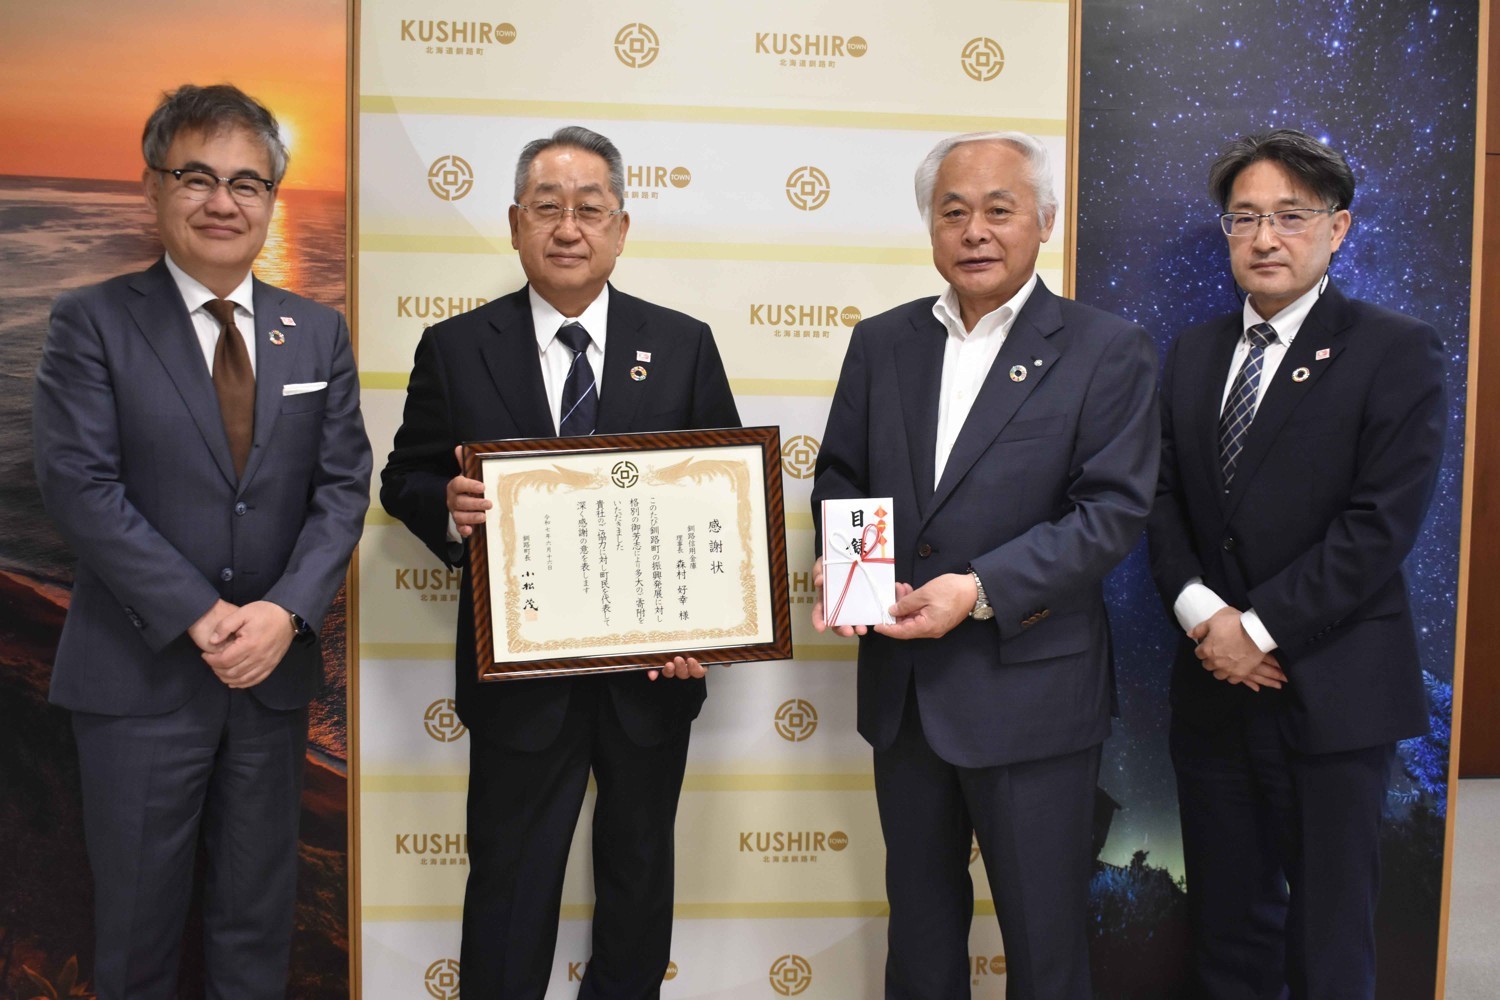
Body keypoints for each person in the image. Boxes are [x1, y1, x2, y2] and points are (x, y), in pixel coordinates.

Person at [379, 125, 739, 999]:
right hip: (519, 680)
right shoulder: (456, 347)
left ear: (621, 227)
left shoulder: (683, 344)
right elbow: (404, 477)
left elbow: (723, 501)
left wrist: (710, 631)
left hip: (650, 678)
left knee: (638, 884)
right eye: (547, 208)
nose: (568, 228)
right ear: (515, 224)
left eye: (589, 209)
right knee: (508, 887)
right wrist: (447, 505)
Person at [32, 83, 371, 999]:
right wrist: (203, 614)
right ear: (154, 187)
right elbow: (79, 485)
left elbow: (343, 487)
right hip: (136, 683)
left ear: (272, 199)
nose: (224, 201)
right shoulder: (91, 321)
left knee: (255, 930)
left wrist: (284, 615)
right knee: (136, 935)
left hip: (270, 684)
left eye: (247, 183)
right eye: (198, 177)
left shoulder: (318, 332)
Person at [810, 131, 1158, 999]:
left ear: (1044, 220)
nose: (975, 231)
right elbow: (842, 474)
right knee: (920, 938)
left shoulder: (1106, 348)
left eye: (999, 210)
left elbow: (1110, 513)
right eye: (953, 211)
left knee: (1044, 947)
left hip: (1032, 694)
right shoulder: (882, 342)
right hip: (905, 695)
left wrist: (978, 589)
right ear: (930, 225)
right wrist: (847, 566)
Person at [1147, 129, 1445, 998]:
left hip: (1332, 692)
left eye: (1290, 216)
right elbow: (1160, 499)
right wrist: (1206, 618)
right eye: (1245, 218)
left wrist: (1258, 628)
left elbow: (1379, 526)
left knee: (1329, 941)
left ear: (1337, 228)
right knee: (1226, 931)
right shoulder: (1193, 351)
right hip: (1212, 687)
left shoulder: (1396, 349)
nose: (1265, 238)